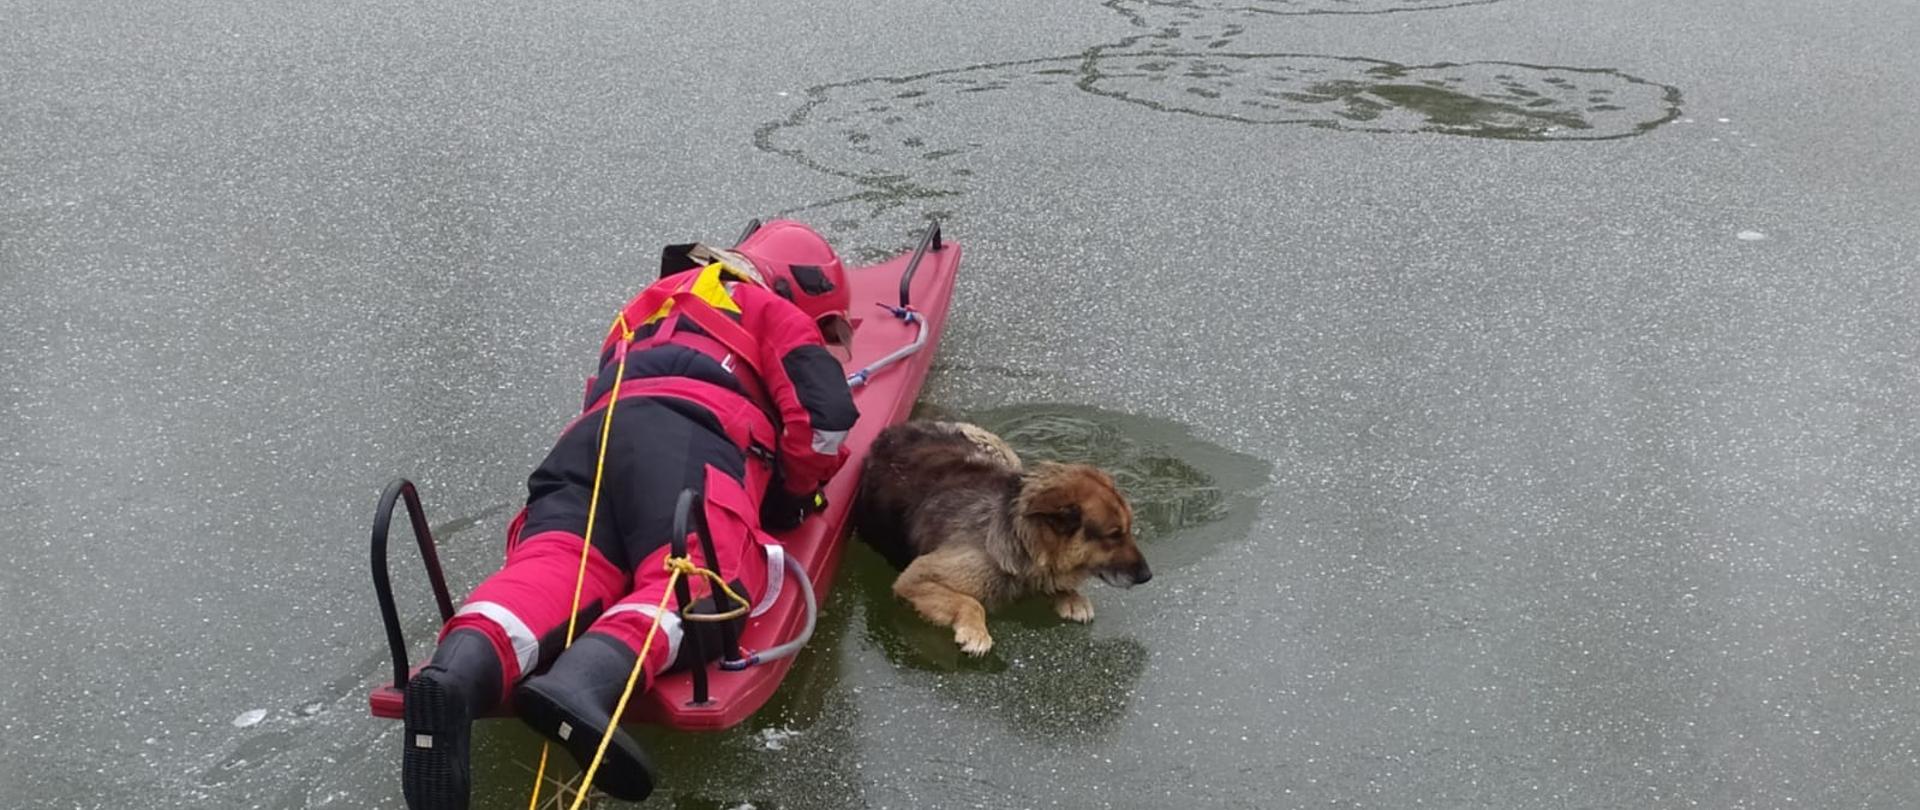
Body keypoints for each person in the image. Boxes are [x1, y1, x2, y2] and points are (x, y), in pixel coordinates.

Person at [399, 220, 859, 810]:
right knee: (699, 584)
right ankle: (584, 683)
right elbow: (827, 420)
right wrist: (794, 495)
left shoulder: (644, 306)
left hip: (586, 446)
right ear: (801, 292)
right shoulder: (768, 307)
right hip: (688, 444)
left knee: (554, 565)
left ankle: (457, 677)